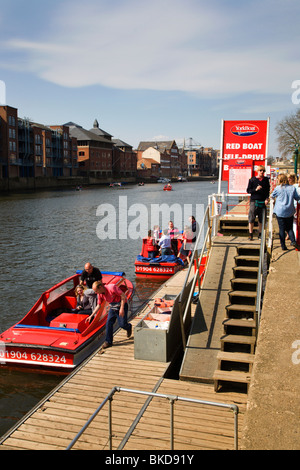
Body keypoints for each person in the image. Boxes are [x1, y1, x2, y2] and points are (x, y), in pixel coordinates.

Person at [88, 280, 132, 349]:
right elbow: (98, 305)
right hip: (113, 307)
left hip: (122, 304)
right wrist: (91, 315)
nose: (96, 293)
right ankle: (108, 341)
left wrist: (122, 308)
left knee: (122, 324)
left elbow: (123, 296)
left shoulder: (112, 288)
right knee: (108, 323)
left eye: (96, 291)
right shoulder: (99, 294)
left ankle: (128, 327)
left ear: (100, 287)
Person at [271, 173, 300, 250]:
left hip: (280, 211)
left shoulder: (278, 188)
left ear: (280, 180)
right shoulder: (292, 188)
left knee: (281, 229)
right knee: (289, 228)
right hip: (289, 211)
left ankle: (283, 246)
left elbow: (272, 196)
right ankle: (293, 241)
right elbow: (297, 198)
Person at [246, 166, 270, 240]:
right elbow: (248, 190)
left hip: (262, 201)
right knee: (251, 218)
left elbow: (267, 190)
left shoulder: (266, 180)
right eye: (260, 170)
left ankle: (260, 234)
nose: (262, 172)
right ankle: (250, 234)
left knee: (261, 219)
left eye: (263, 171)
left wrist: (267, 198)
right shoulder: (252, 180)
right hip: (254, 201)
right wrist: (255, 189)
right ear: (257, 171)